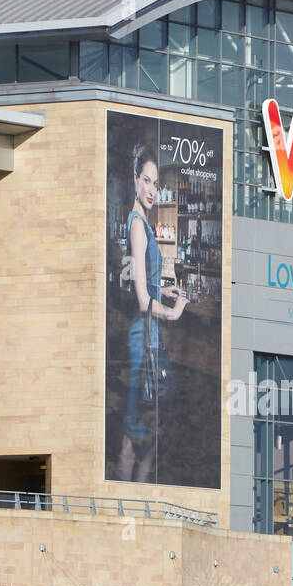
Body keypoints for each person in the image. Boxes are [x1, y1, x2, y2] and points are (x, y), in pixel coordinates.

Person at [117, 143, 188, 481]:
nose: (151, 189)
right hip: (142, 337)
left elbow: (146, 286)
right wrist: (172, 313)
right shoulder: (137, 226)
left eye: (156, 183)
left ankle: (136, 504)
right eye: (146, 181)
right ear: (135, 180)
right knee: (138, 436)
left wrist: (166, 290)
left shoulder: (141, 223)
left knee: (145, 433)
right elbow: (142, 300)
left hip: (146, 336)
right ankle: (128, 509)